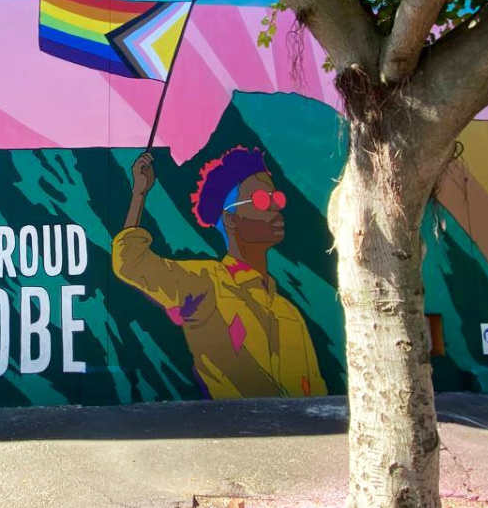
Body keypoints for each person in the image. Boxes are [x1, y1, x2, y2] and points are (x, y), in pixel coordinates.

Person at [111, 148, 327, 399]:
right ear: (231, 220)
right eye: (260, 200)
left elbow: (316, 392)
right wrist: (139, 194)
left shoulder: (289, 313)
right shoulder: (206, 282)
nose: (274, 208)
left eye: (276, 199)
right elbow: (130, 262)